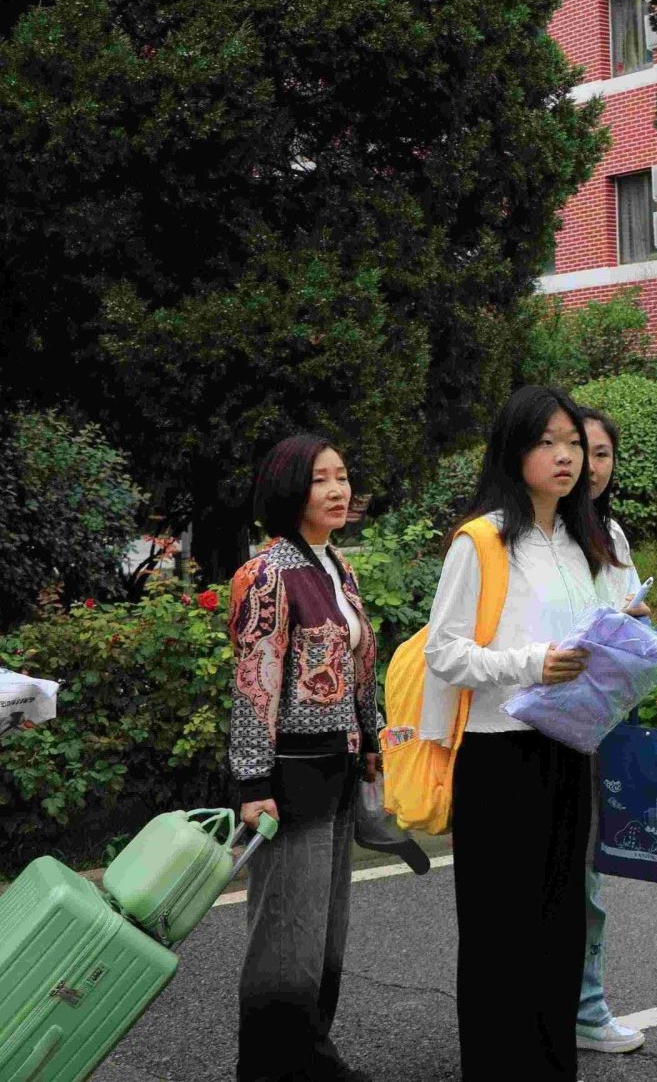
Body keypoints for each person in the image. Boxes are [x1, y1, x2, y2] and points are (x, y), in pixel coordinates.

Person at [423, 385, 628, 1080]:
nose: (567, 456)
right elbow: (445, 652)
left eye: (574, 443)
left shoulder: (582, 540)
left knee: (559, 923)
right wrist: (531, 663)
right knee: (500, 934)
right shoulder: (481, 541)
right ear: (514, 452)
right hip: (498, 755)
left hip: (568, 747)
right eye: (548, 442)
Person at [228, 434, 380, 1082]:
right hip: (290, 779)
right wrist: (252, 781)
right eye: (321, 479)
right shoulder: (266, 573)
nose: (338, 490)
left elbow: (356, 667)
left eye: (342, 476)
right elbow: (254, 684)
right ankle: (275, 1068)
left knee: (323, 934)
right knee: (286, 933)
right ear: (290, 489)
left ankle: (309, 1057)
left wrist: (371, 742)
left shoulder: (336, 565)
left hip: (338, 771)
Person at [572, 408, 648, 1056]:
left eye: (602, 454)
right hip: (548, 726)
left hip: (601, 724)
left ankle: (586, 1007)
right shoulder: (536, 536)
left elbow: (625, 609)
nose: (591, 467)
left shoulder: (612, 533)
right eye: (580, 451)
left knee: (589, 875)